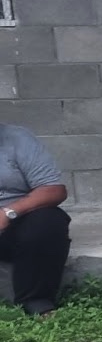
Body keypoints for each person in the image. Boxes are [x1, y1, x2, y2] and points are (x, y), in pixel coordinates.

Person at [0, 124, 70, 316]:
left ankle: (37, 302)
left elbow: (54, 190)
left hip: (12, 225)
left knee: (49, 221)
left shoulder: (17, 138)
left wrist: (8, 213)